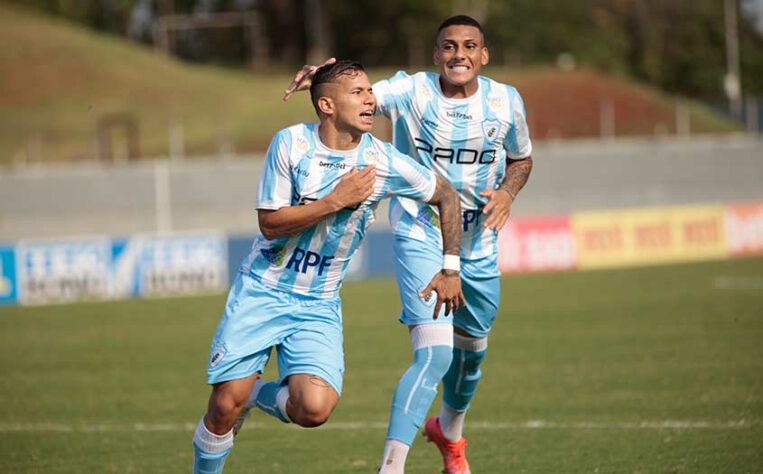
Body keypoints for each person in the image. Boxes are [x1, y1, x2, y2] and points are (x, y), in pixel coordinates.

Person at [283, 15, 533, 474]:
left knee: (471, 356)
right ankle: (392, 467)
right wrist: (321, 77)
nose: (459, 55)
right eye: (449, 47)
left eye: (469, 46)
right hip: (420, 233)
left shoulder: (505, 102)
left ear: (484, 55)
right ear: (436, 55)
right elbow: (355, 95)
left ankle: (449, 433)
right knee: (435, 353)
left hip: (479, 245)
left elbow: (521, 158)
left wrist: (508, 192)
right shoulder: (410, 91)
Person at [192, 60, 465, 474]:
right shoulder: (291, 144)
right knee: (223, 404)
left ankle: (255, 395)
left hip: (318, 302)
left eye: (371, 90)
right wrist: (335, 200)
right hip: (263, 290)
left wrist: (449, 267)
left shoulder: (383, 160)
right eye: (357, 92)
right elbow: (269, 224)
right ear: (326, 105)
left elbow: (447, 196)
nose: (370, 98)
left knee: (314, 409)